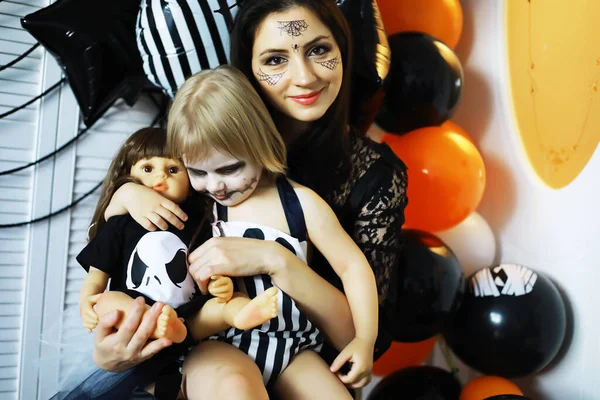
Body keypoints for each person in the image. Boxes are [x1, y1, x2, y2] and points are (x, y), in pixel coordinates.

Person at [94, 1, 407, 398]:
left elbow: (357, 331)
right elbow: (126, 264)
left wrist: (274, 260)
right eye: (276, 59)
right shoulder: (194, 145)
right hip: (208, 353)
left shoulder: (361, 179)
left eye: (319, 49)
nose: (304, 77)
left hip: (302, 353)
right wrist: (126, 195)